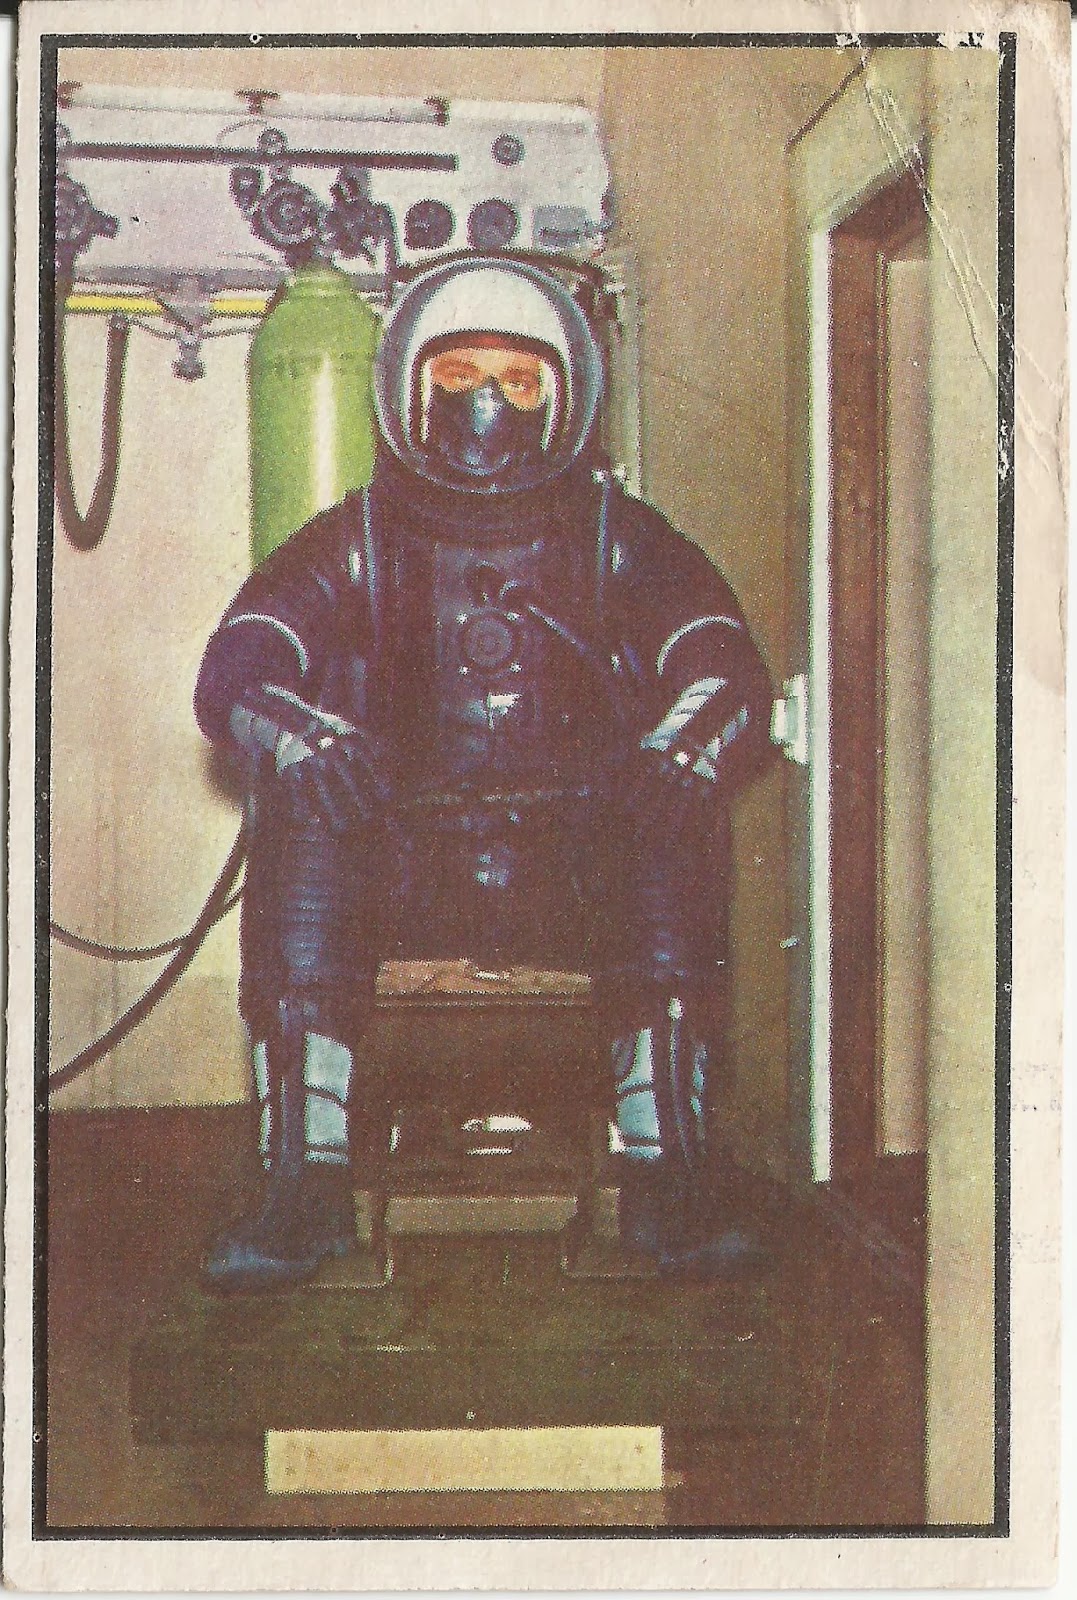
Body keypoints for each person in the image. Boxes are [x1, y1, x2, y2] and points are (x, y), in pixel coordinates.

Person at [194, 254, 775, 1292]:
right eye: (459, 375)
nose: (487, 406)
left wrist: (679, 745)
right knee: (305, 803)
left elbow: (723, 664)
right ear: (410, 390)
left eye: (517, 379)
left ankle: (668, 1171)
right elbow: (238, 664)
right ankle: (303, 1183)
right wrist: (302, 734)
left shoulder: (616, 538)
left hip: (577, 876)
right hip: (399, 875)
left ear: (565, 394)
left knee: (672, 801)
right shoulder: (358, 539)